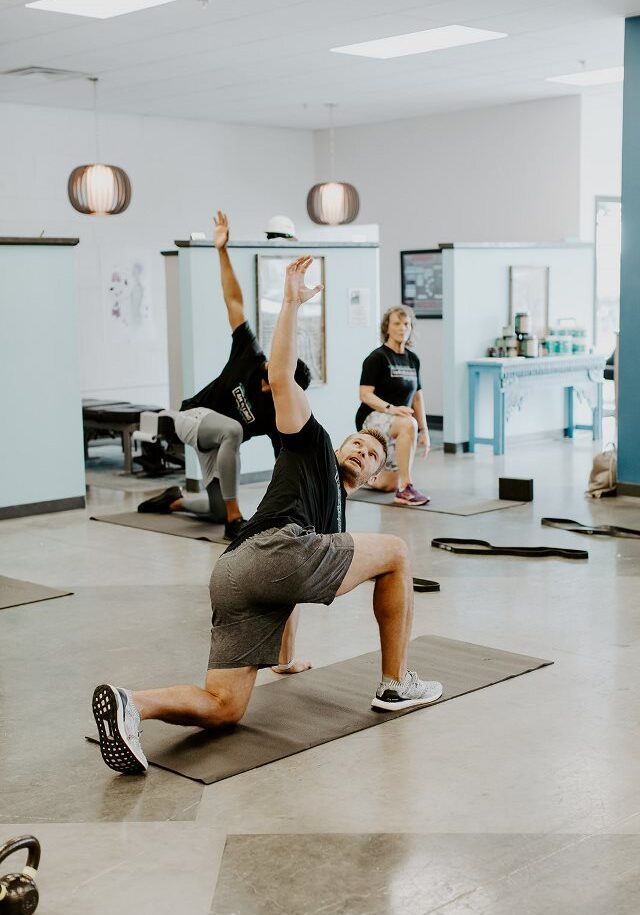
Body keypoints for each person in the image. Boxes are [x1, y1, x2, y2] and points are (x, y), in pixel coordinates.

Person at [92, 255, 443, 775]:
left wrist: (284, 659)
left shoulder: (335, 520)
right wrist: (291, 305)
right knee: (395, 551)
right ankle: (396, 684)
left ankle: (131, 705)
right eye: (357, 443)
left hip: (236, 576)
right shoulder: (313, 445)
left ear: (373, 478)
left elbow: (292, 582)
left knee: (225, 706)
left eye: (371, 456)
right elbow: (279, 375)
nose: (360, 453)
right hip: (268, 554)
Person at [137, 211, 311, 540]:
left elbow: (285, 460)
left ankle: (175, 501)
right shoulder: (250, 353)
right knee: (232, 430)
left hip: (220, 445)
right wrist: (221, 250)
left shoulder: (277, 412)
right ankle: (234, 520)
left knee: (213, 508)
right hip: (194, 417)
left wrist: (297, 504)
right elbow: (234, 300)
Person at [355, 305, 431, 506]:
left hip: (400, 422)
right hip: (373, 418)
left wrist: (424, 430)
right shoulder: (377, 357)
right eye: (397, 323)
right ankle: (405, 488)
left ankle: (350, 472)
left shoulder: (412, 359)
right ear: (387, 327)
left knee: (388, 484)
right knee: (408, 423)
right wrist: (391, 409)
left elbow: (417, 397)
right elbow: (365, 395)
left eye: (406, 324)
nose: (402, 328)